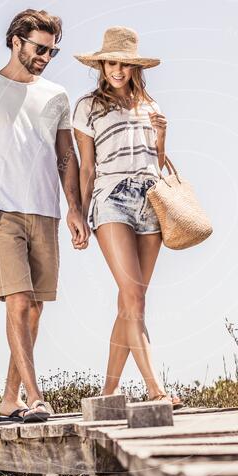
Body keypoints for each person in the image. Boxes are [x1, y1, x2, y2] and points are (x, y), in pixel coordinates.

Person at [0, 9, 88, 423]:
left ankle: (10, 399)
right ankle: (36, 397)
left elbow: (67, 157)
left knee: (35, 309)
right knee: (18, 300)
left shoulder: (57, 95)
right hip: (2, 214)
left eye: (52, 50)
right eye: (39, 48)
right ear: (16, 41)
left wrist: (75, 209)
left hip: (45, 212)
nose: (46, 56)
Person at [71, 26, 182, 408]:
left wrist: (162, 139)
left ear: (135, 67)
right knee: (134, 297)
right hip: (111, 200)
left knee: (130, 302)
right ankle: (157, 390)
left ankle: (109, 392)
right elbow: (87, 168)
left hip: (151, 200)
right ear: (101, 64)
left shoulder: (151, 106)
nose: (116, 70)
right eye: (111, 62)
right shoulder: (87, 106)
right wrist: (80, 214)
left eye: (124, 64)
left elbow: (158, 162)